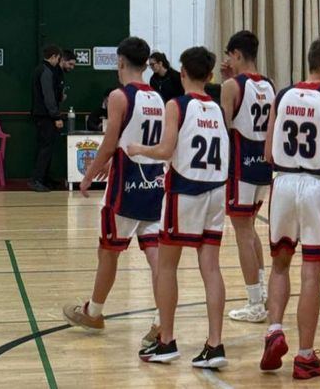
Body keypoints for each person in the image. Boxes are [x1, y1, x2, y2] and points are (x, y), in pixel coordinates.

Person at [62, 37, 165, 350]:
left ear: (120, 62)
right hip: (155, 182)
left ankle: (93, 313)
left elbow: (109, 143)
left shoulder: (120, 96)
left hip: (126, 186)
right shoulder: (158, 98)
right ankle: (162, 320)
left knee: (108, 250)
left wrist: (88, 175)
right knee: (156, 255)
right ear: (145, 64)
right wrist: (113, 159)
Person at [260, 38, 320, 380]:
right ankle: (304, 356)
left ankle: (274, 330)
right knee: (311, 272)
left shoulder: (282, 95)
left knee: (280, 264)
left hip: (283, 183)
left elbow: (268, 153)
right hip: (316, 186)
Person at [133, 46, 229, 367]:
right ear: (210, 75)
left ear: (183, 72)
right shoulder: (217, 109)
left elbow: (164, 150)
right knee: (211, 268)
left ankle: (166, 341)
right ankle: (215, 344)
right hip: (216, 191)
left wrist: (138, 148)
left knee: (166, 266)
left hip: (185, 191)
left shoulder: (176, 105)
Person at [219, 30, 276, 324]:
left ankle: (255, 303)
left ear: (237, 54)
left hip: (240, 166)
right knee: (250, 229)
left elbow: (223, 127)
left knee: (243, 232)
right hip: (263, 165)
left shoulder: (231, 86)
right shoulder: (269, 84)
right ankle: (261, 293)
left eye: (229, 56)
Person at [30, 45, 63, 192]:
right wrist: (56, 116)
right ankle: (37, 180)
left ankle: (44, 178)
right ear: (54, 56)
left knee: (45, 148)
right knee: (45, 149)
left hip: (41, 114)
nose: (58, 61)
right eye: (58, 58)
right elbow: (48, 96)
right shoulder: (46, 71)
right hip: (46, 116)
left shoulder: (40, 69)